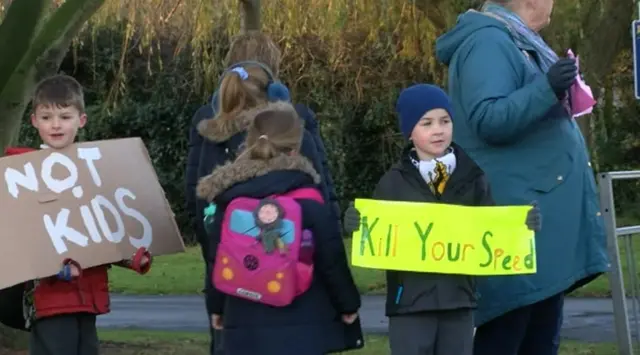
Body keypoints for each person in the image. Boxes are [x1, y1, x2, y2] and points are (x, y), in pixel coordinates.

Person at [434, 1, 609, 354]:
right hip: (517, 225)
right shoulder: (488, 41)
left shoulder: (513, 38)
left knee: (537, 333)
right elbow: (489, 118)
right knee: (511, 332)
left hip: (534, 224)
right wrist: (546, 86)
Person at [342, 84, 541, 355]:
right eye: (427, 123)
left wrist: (521, 227)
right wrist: (357, 224)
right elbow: (378, 233)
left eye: (445, 121)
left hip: (458, 300)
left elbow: (491, 230)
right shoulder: (393, 181)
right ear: (410, 132)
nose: (438, 129)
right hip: (409, 303)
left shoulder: (473, 176)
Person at [184, 31, 341, 354]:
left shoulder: (207, 122)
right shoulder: (294, 122)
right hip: (294, 264)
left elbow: (197, 199)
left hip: (232, 261)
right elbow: (321, 191)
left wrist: (216, 254)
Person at [196, 101, 363, 355]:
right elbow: (332, 261)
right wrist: (348, 305)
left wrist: (217, 308)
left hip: (244, 324)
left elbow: (216, 259)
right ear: (296, 149)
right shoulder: (310, 200)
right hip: (306, 326)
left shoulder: (229, 200)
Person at [4, 74, 153, 355]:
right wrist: (53, 268)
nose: (56, 124)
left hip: (89, 297)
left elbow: (105, 227)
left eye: (65, 116)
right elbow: (21, 238)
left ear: (81, 120)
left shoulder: (95, 171)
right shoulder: (22, 175)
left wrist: (134, 257)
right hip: (49, 298)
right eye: (46, 117)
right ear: (34, 121)